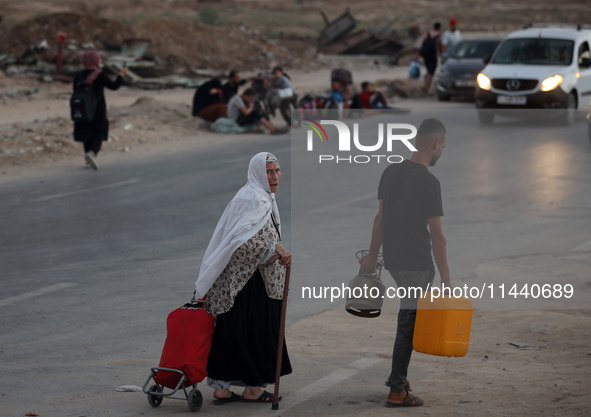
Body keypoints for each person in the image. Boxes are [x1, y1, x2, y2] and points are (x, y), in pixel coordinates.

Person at [359, 118, 452, 408]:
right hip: (417, 264)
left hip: (395, 262)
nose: (442, 152)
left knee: (407, 321)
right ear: (436, 143)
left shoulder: (391, 171)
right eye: (443, 147)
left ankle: (398, 378)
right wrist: (447, 282)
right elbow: (437, 236)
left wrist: (373, 256)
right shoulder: (429, 181)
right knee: (407, 325)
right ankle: (397, 390)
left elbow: (379, 219)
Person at [194, 152, 292, 404]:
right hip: (248, 282)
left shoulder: (261, 197)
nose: (275, 176)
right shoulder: (253, 199)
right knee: (255, 333)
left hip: (246, 281)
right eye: (269, 171)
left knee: (233, 332)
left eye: (277, 170)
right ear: (258, 173)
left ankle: (222, 388)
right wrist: (274, 250)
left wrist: (274, 248)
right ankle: (252, 389)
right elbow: (242, 243)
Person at [72, 51, 128, 170]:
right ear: (95, 61)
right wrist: (121, 75)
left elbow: (74, 90)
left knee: (86, 132)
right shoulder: (99, 74)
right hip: (97, 109)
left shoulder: (79, 75)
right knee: (100, 132)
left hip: (81, 109)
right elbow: (114, 86)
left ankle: (87, 158)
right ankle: (92, 153)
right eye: (99, 59)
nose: (100, 61)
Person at [418, 22, 442, 94]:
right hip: (432, 56)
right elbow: (439, 47)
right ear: (439, 28)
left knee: (428, 70)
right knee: (430, 72)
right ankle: (426, 88)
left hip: (425, 55)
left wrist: (419, 54)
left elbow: (422, 44)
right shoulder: (438, 36)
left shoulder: (427, 34)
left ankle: (425, 85)